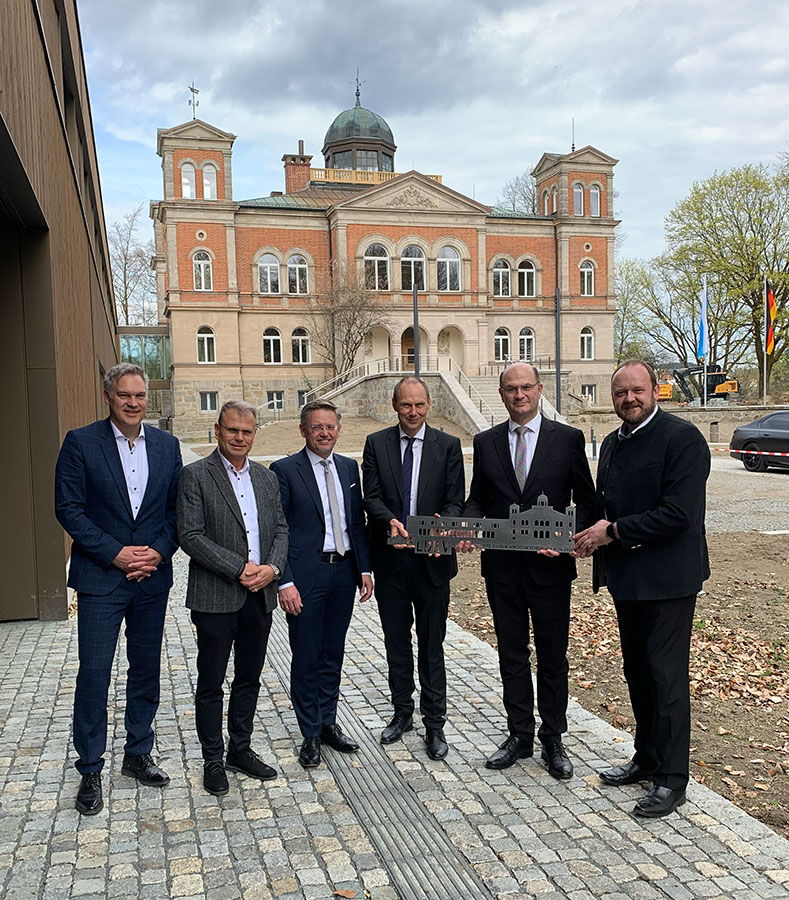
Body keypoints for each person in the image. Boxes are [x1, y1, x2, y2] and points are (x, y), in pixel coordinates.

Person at [573, 359, 710, 818]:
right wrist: (578, 537)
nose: (628, 399)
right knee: (637, 672)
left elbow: (679, 514)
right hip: (627, 579)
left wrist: (611, 532)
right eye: (620, 393)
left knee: (665, 677)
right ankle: (647, 757)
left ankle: (672, 778)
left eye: (637, 390)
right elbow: (603, 505)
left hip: (669, 581)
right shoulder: (614, 441)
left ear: (655, 390)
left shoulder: (682, 439)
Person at [55, 362, 182, 816]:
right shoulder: (80, 442)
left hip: (151, 579)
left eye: (139, 395)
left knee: (145, 668)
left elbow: (177, 511)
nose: (133, 403)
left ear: (148, 398)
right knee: (94, 673)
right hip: (101, 579)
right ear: (108, 396)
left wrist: (157, 553)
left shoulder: (167, 446)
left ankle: (138, 751)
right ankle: (90, 766)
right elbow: (68, 509)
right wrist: (116, 554)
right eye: (124, 395)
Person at [461, 362, 594, 777]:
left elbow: (588, 502)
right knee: (511, 654)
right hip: (502, 569)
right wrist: (469, 524)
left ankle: (553, 737)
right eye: (511, 389)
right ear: (502, 394)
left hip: (550, 569)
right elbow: (477, 499)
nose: (519, 395)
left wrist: (568, 540)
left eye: (525, 388)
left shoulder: (567, 439)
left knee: (553, 656)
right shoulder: (486, 442)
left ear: (539, 390)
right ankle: (519, 734)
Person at [177, 400, 288, 796]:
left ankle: (240, 749)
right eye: (232, 430)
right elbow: (189, 535)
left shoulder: (266, 477)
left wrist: (272, 569)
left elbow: (281, 530)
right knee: (211, 681)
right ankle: (213, 758)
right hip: (215, 596)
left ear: (255, 433)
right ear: (217, 430)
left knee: (249, 678)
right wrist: (239, 568)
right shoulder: (194, 475)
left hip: (260, 596)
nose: (240, 437)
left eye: (247, 431)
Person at [362, 376, 464, 760]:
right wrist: (387, 519)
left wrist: (444, 524)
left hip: (432, 562)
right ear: (395, 405)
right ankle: (402, 712)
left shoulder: (448, 446)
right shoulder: (376, 444)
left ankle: (434, 724)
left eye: (419, 405)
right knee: (396, 643)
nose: (413, 412)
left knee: (431, 645)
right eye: (406, 405)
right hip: (391, 562)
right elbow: (371, 496)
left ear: (428, 404)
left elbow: (456, 501)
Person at [270, 401, 373, 768]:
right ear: (304, 430)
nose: (324, 433)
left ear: (338, 430)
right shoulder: (284, 470)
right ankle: (310, 732)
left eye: (330, 427)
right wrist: (284, 580)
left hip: (343, 573)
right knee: (306, 655)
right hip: (305, 577)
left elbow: (356, 523)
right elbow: (278, 530)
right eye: (317, 427)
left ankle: (328, 722)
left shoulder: (348, 467)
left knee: (332, 653)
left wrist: (365, 569)